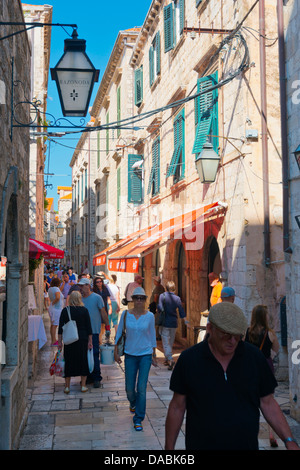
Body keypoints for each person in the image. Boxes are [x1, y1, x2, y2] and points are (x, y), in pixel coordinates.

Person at [165, 302, 299, 450]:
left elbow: (268, 403)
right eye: (226, 335)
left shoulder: (254, 358)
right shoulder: (189, 359)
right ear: (210, 329)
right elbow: (177, 406)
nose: (233, 341)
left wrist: (289, 440)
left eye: (237, 336)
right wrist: (169, 448)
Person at [114, 287, 157, 432]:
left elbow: (152, 335)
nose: (139, 300)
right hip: (130, 354)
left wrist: (154, 354)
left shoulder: (150, 316)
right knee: (129, 388)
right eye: (137, 297)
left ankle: (138, 418)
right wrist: (115, 352)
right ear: (132, 299)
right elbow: (119, 332)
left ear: (145, 300)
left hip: (145, 355)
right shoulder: (125, 315)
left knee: (142, 388)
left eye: (142, 298)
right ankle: (133, 403)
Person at [245, 304, 280, 447]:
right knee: (269, 400)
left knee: (251, 400)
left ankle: (251, 431)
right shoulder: (270, 333)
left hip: (250, 367)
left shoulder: (248, 332)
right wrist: (266, 358)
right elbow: (276, 350)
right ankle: (272, 434)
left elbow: (243, 349)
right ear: (264, 317)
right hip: (266, 367)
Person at [58, 291, 93, 394]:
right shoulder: (84, 310)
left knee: (69, 361)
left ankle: (67, 387)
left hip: (69, 339)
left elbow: (60, 328)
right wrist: (90, 341)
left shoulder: (65, 310)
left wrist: (60, 342)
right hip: (82, 339)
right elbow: (89, 328)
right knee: (83, 361)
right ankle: (83, 386)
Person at [78, 278, 110, 388]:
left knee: (95, 354)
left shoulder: (97, 298)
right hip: (82, 332)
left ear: (89, 285)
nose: (81, 288)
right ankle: (88, 377)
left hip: (94, 331)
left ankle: (96, 377)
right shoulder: (79, 299)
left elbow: (103, 312)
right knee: (84, 356)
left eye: (83, 286)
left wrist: (107, 326)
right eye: (80, 286)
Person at [157, 281, 185, 370]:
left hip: (165, 322)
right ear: (174, 288)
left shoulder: (162, 296)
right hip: (174, 322)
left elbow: (160, 308)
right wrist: (185, 320)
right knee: (171, 342)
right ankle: (167, 359)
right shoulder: (177, 298)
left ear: (166, 287)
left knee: (165, 342)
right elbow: (181, 310)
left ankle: (170, 359)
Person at [93, 276, 112, 343]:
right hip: (97, 309)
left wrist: (110, 308)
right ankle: (99, 341)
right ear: (95, 283)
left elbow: (108, 298)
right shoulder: (94, 290)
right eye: (97, 282)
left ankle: (100, 338)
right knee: (99, 324)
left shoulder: (105, 289)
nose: (99, 283)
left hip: (104, 309)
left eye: (100, 281)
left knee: (104, 324)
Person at [48, 277, 64, 346]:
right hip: (56, 309)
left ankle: (53, 340)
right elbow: (57, 297)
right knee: (55, 325)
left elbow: (59, 292)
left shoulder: (50, 289)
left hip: (52, 308)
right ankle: (54, 341)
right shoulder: (56, 289)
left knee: (52, 325)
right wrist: (54, 302)